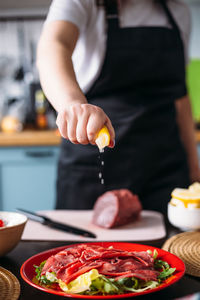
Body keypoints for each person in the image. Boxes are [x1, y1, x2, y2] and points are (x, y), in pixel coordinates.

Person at [37, 0, 200, 213]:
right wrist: (73, 104)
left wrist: (194, 168)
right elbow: (54, 45)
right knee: (82, 247)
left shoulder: (179, 11)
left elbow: (180, 96)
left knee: (173, 245)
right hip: (92, 169)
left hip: (165, 169)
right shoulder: (83, 2)